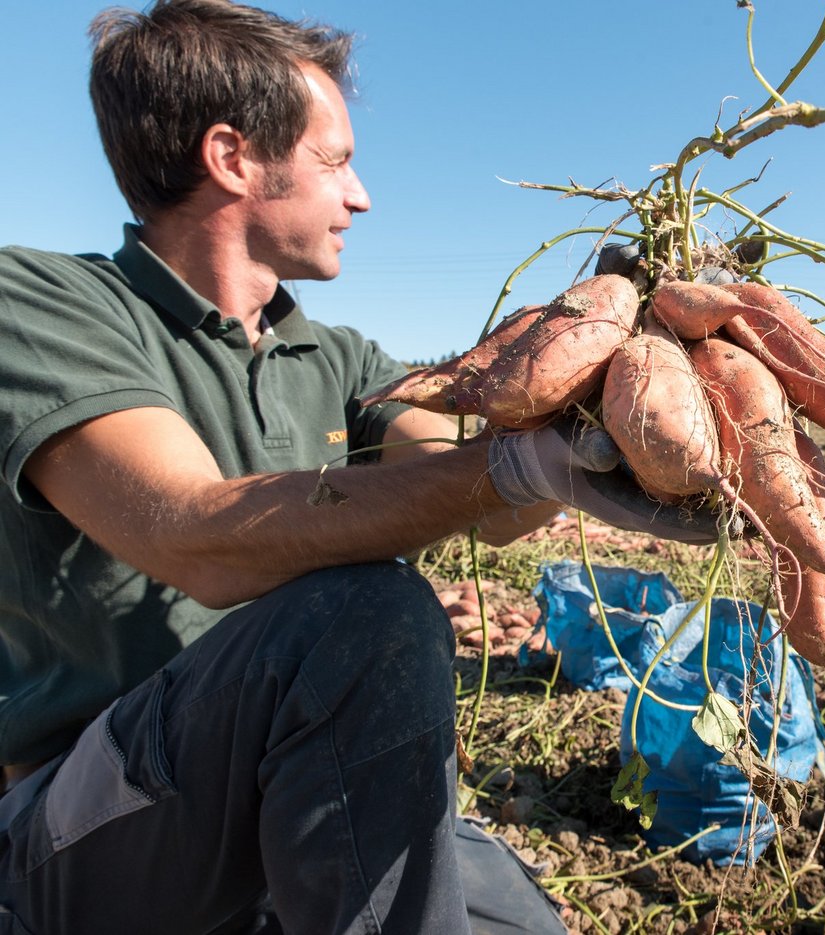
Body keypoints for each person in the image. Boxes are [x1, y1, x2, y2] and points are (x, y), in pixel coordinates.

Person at [0, 1, 716, 931]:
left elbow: (469, 484)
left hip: (291, 784)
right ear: (232, 158)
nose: (361, 194)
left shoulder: (336, 360)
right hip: (93, 827)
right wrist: (517, 470)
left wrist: (593, 386)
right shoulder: (42, 301)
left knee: (522, 919)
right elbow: (197, 531)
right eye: (334, 161)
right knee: (365, 611)